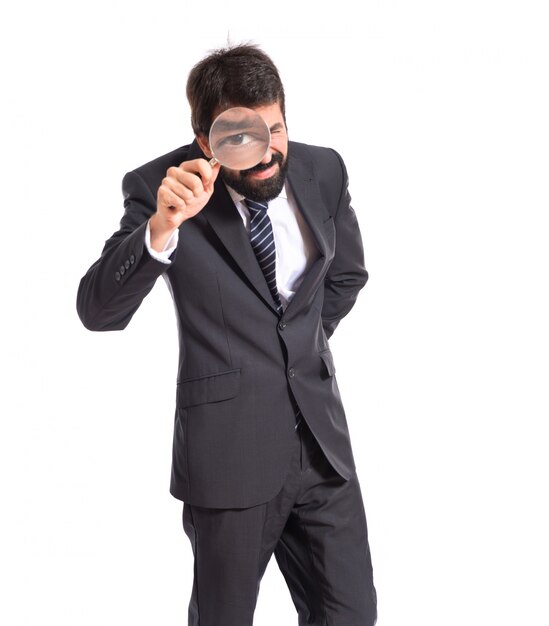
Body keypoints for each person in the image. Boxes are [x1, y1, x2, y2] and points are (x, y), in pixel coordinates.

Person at [77, 43, 377, 626]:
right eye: (243, 136)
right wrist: (163, 227)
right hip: (229, 453)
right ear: (204, 139)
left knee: (352, 614)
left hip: (322, 447)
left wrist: (295, 349)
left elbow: (345, 277)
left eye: (275, 128)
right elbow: (98, 310)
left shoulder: (323, 169)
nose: (267, 154)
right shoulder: (158, 188)